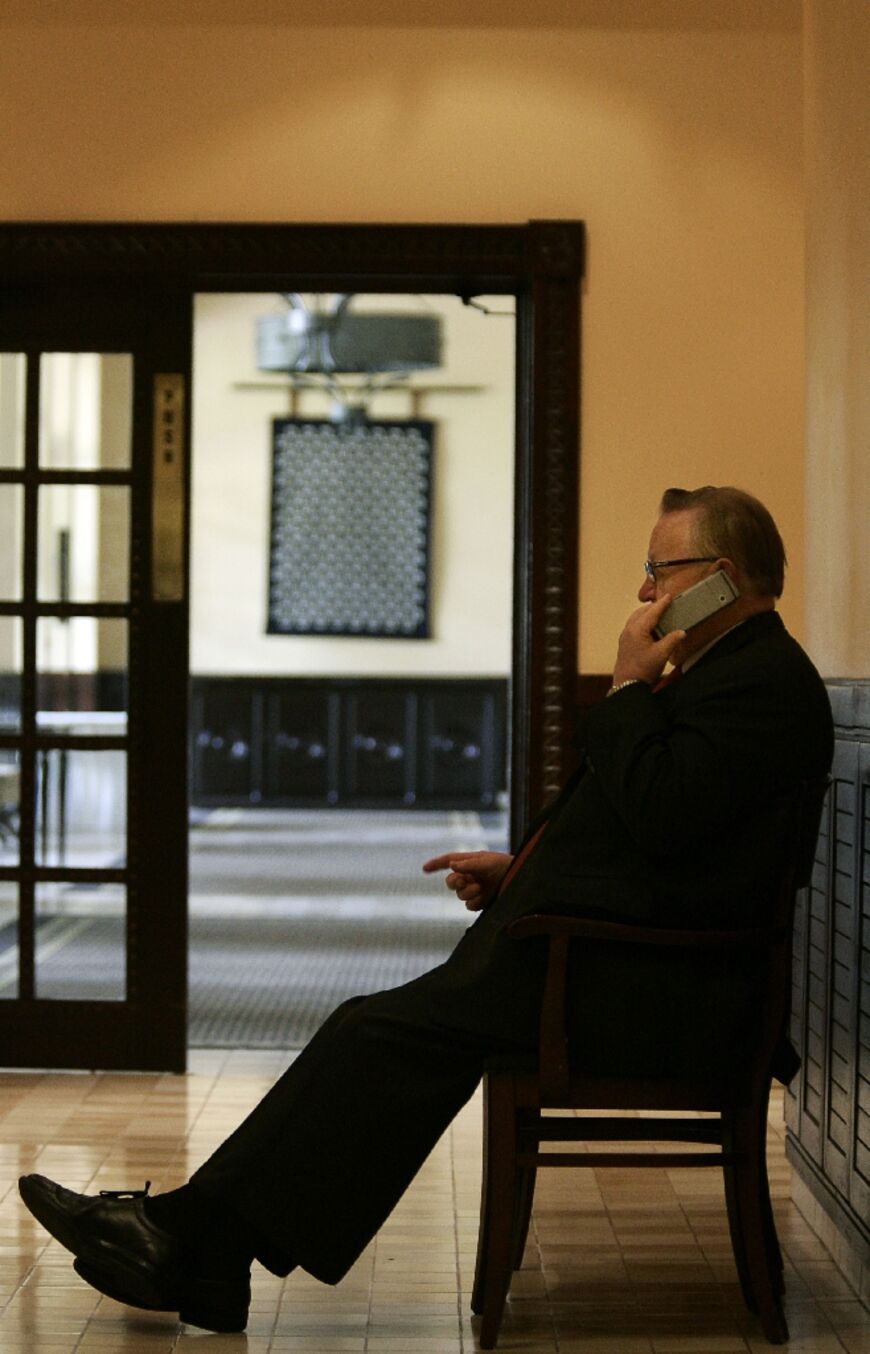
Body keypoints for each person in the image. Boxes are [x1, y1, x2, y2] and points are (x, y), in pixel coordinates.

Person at [18, 485, 834, 1334]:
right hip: (615, 965)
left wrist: (627, 689)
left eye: (658, 572)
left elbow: (665, 817)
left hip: (663, 992)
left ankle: (186, 1239)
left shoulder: (761, 684)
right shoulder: (733, 674)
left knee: (375, 1034)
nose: (643, 595)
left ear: (721, 579)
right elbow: (670, 832)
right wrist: (522, 871)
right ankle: (207, 1255)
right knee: (370, 1028)